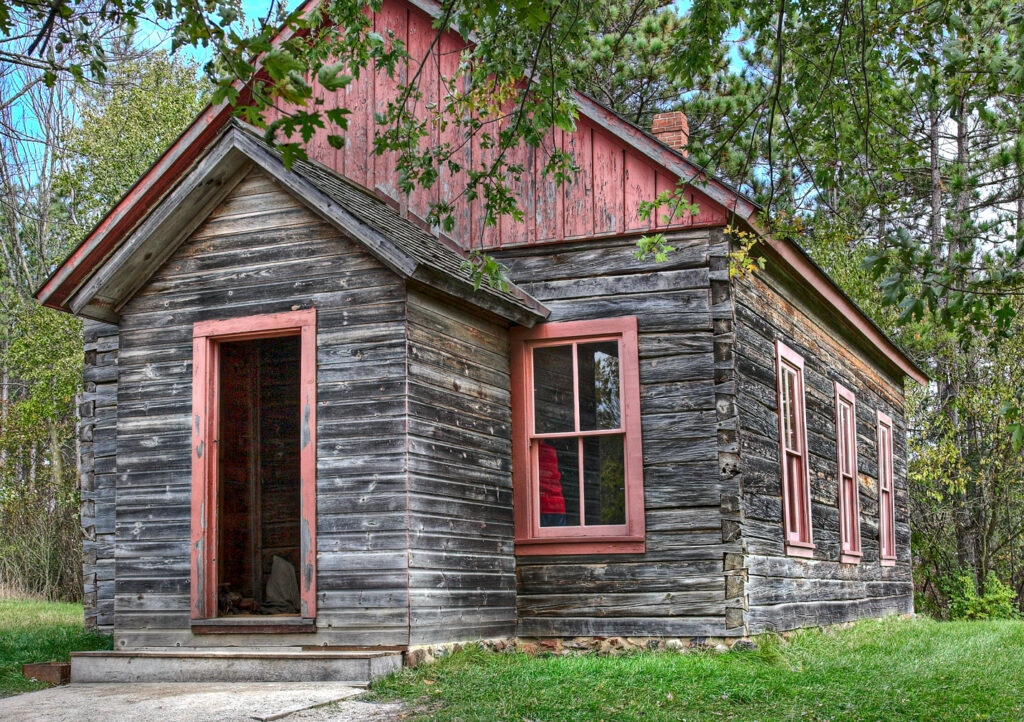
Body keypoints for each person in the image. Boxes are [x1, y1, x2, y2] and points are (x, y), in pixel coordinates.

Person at [538, 441, 567, 526]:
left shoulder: (539, 450)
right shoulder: (550, 450)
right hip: (557, 503)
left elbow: (548, 474)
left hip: (544, 503)